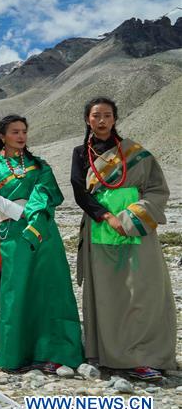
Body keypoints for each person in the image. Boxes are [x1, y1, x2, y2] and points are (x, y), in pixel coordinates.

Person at [72, 97, 176, 381]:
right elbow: (80, 193)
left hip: (138, 229)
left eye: (107, 115)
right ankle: (110, 356)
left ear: (115, 118)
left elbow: (156, 188)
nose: (102, 120)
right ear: (88, 120)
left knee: (142, 293)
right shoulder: (81, 153)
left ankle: (146, 356)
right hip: (100, 230)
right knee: (108, 296)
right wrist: (108, 218)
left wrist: (131, 218)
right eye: (96, 116)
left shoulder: (136, 153)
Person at [0, 115, 83, 373]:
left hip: (44, 230)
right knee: (17, 289)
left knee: (51, 287)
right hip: (14, 231)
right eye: (15, 131)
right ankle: (18, 354)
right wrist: (23, 212)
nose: (21, 136)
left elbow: (48, 193)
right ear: (2, 136)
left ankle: (55, 352)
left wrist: (35, 215)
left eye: (24, 131)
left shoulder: (40, 165)